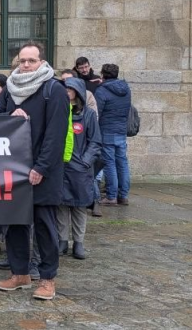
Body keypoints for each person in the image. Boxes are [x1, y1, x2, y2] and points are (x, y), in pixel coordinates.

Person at [0, 42, 68, 301]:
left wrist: (41, 167)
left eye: (31, 61)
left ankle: (47, 279)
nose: (25, 65)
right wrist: (11, 115)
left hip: (42, 172)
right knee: (15, 224)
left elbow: (56, 134)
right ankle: (20, 273)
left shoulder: (53, 89)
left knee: (45, 227)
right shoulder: (11, 88)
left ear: (41, 62)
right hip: (13, 170)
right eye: (22, 60)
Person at [59, 77, 102, 260]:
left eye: (70, 89)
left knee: (79, 206)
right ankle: (61, 240)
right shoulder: (59, 111)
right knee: (60, 205)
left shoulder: (89, 115)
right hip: (62, 167)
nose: (66, 92)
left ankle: (78, 242)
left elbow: (95, 141)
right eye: (65, 89)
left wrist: (85, 161)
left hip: (81, 169)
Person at [95, 63, 132, 206]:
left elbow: (97, 112)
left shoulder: (101, 91)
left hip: (106, 130)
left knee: (109, 163)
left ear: (103, 75)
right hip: (121, 130)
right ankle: (123, 196)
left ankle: (111, 196)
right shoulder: (126, 88)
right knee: (122, 162)